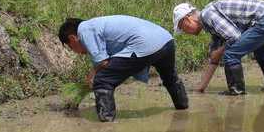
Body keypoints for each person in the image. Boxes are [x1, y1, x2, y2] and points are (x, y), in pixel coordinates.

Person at [58, 15, 189, 121]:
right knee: (170, 78)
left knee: (102, 80)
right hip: (166, 41)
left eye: (70, 47)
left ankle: (105, 125)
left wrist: (92, 74)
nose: (75, 51)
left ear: (73, 38)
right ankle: (183, 109)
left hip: (144, 45)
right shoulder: (96, 25)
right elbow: (108, 61)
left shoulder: (84, 30)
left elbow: (103, 62)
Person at [173, 0, 264, 96]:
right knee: (261, 53)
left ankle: (237, 92)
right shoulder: (211, 23)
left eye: (182, 28)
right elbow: (214, 59)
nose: (185, 32)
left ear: (187, 19)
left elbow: (234, 36)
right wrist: (200, 88)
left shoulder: (207, 15)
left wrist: (220, 51)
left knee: (231, 54)